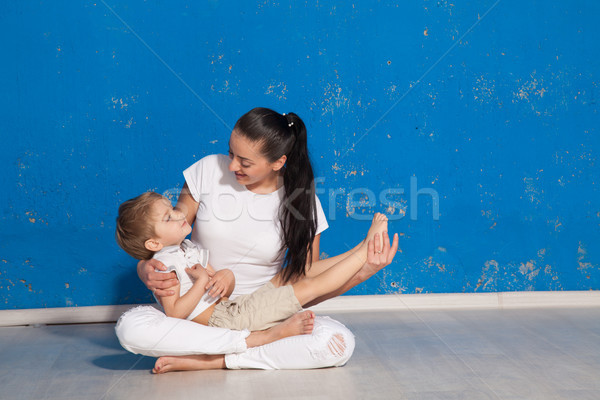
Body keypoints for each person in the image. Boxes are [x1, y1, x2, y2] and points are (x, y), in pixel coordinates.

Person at [115, 107, 398, 372]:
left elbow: (306, 279)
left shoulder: (301, 203)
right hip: (198, 313)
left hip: (261, 307)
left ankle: (216, 359)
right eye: (231, 154)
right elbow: (167, 235)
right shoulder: (207, 169)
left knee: (336, 343)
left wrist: (366, 268)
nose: (232, 166)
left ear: (278, 162)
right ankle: (246, 346)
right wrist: (144, 267)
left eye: (245, 162)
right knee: (130, 328)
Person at [115, 192, 396, 337]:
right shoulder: (164, 264)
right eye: (168, 218)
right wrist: (201, 282)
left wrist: (224, 276)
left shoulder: (186, 248)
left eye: (173, 209)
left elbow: (220, 288)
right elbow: (174, 313)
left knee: (294, 273)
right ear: (153, 244)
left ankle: (359, 250)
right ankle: (365, 251)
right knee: (307, 287)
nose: (178, 215)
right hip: (227, 320)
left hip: (233, 307)